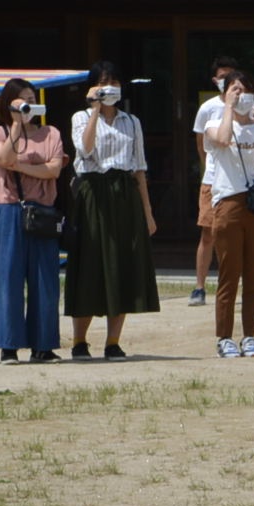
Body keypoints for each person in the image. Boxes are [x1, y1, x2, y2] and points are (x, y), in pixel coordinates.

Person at [65, 63, 157, 362]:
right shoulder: (80, 117)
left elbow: (139, 167)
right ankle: (79, 340)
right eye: (104, 83)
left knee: (122, 265)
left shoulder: (132, 121)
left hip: (124, 193)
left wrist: (147, 212)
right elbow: (86, 148)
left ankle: (113, 341)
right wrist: (93, 109)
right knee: (90, 263)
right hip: (93, 191)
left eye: (115, 82)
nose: (111, 88)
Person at [0, 78, 65, 365]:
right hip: (7, 209)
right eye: (22, 100)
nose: (29, 105)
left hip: (42, 210)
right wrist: (16, 124)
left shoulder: (51, 132)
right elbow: (3, 156)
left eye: (32, 98)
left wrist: (20, 166)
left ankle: (44, 346)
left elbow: (54, 169)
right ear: (9, 103)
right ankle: (9, 345)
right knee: (7, 279)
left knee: (45, 279)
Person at [198, 71, 254, 359]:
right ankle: (224, 337)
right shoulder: (213, 123)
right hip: (228, 204)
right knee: (229, 275)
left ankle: (250, 336)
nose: (240, 94)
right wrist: (229, 107)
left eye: (245, 90)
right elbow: (220, 140)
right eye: (235, 89)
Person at [187, 56, 242, 310]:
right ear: (215, 80)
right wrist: (208, 170)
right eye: (222, 77)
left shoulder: (246, 104)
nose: (226, 81)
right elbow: (202, 145)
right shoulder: (208, 108)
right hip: (212, 179)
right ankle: (200, 286)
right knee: (208, 233)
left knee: (240, 234)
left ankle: (244, 283)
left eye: (230, 76)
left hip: (239, 179)